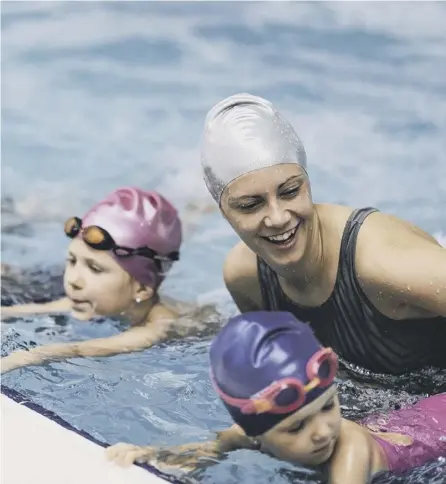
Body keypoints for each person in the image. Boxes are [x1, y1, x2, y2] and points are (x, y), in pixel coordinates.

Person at [199, 92, 446, 375]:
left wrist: (413, 419)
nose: (278, 218)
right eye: (250, 205)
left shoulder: (381, 263)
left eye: (290, 191)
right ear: (224, 212)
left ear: (308, 183)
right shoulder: (245, 277)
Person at [106, 311, 446, 483]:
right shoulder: (251, 434)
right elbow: (211, 448)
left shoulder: (350, 448)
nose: (324, 431)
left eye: (328, 406)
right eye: (296, 427)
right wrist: (151, 454)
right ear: (259, 433)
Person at [1, 187, 192, 374]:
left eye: (95, 269)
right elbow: (32, 309)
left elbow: (81, 349)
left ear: (142, 288)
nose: (74, 280)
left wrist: (26, 356)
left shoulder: (159, 326)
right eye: (72, 261)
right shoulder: (92, 298)